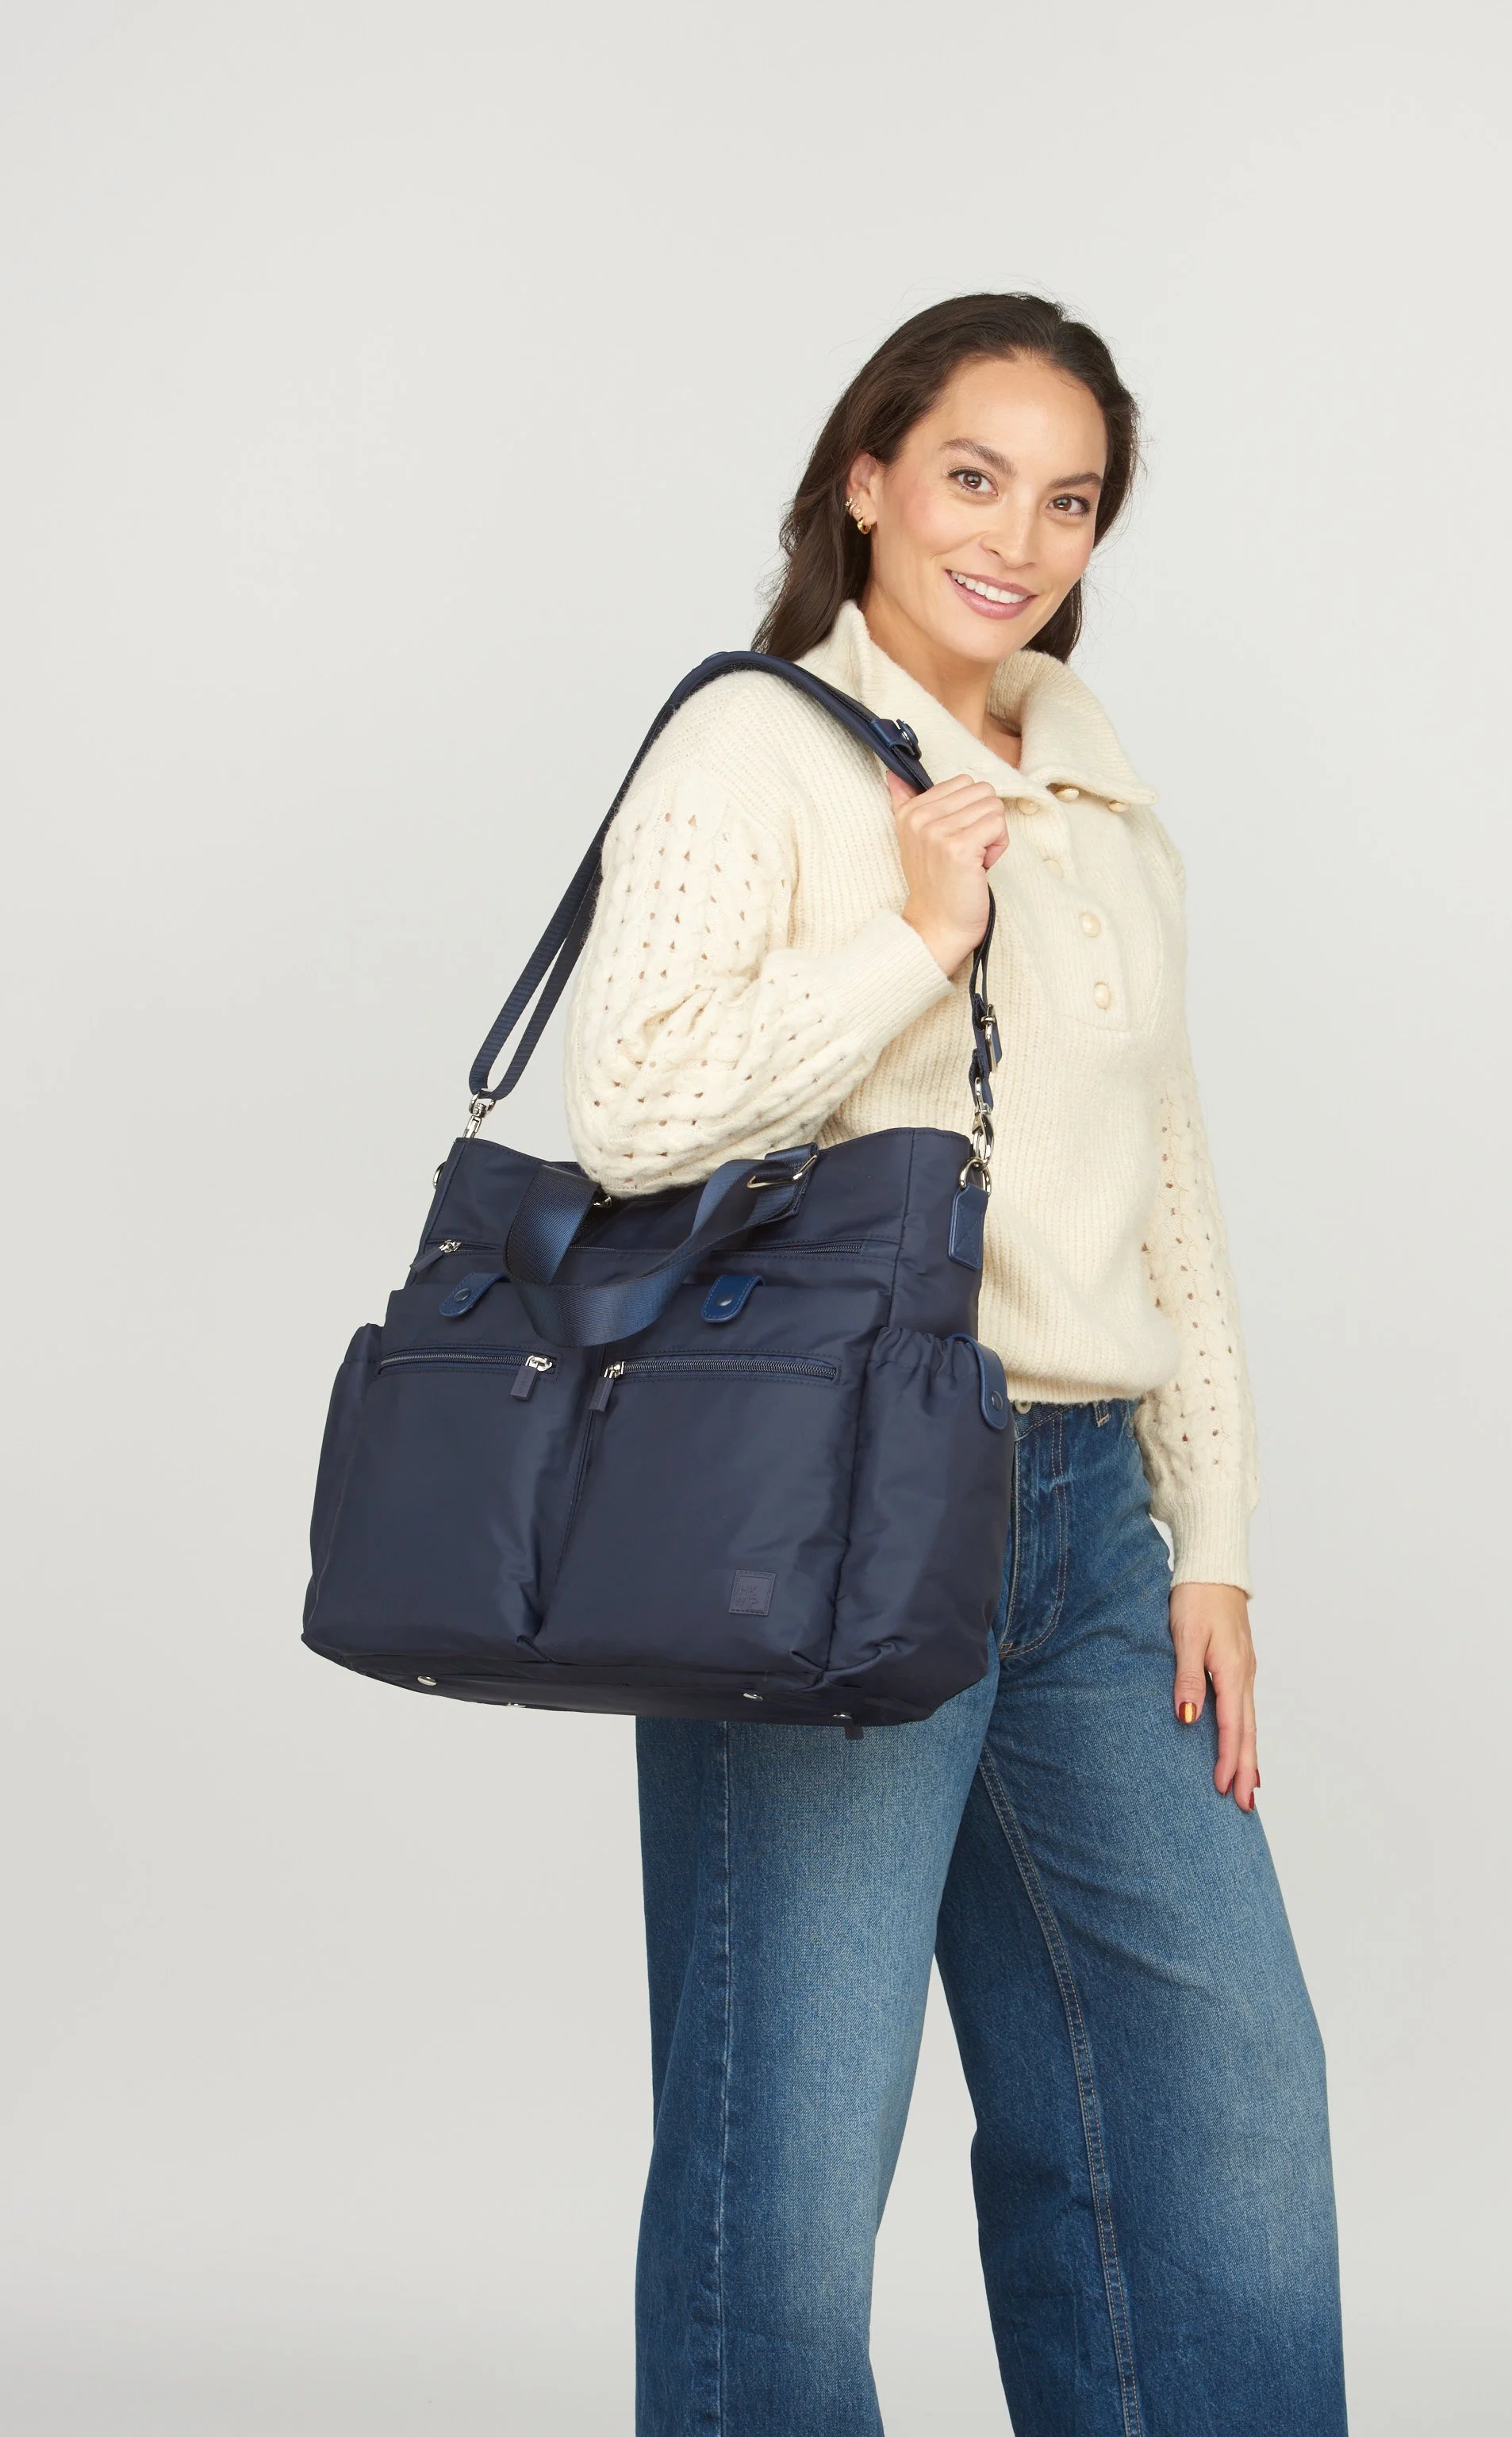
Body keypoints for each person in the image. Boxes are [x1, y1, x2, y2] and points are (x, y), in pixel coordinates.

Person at [563, 293, 1348, 2436]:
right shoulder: (755, 749)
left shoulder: (1094, 784)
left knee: (1215, 2111)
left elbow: (1162, 1169)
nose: (1017, 538)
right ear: (869, 482)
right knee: (789, 2173)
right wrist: (912, 941)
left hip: (1088, 1528)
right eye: (974, 479)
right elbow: (630, 1109)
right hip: (821, 1510)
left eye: (1067, 500)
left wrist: (1213, 1529)